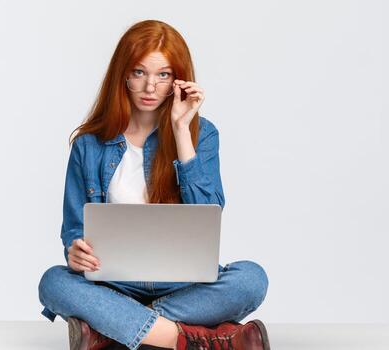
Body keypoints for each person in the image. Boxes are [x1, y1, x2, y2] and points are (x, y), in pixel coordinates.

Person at [38, 20, 270, 350]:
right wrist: (76, 251)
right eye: (139, 72)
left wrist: (180, 130)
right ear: (123, 75)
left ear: (179, 80)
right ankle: (188, 339)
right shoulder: (88, 144)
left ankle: (112, 329)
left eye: (163, 75)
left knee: (251, 279)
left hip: (184, 285)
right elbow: (74, 229)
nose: (150, 87)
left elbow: (209, 212)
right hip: (115, 284)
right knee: (53, 283)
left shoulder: (202, 135)